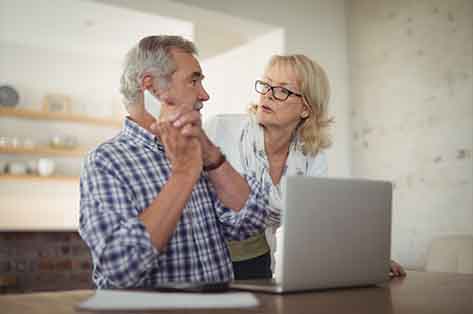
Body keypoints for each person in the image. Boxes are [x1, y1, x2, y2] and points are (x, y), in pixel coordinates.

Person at [79, 35, 269, 289]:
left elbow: (249, 221)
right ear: (152, 88)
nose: (205, 95)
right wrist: (183, 174)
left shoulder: (198, 148)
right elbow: (121, 267)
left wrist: (210, 154)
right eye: (193, 81)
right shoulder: (105, 162)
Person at [224, 54, 406, 279]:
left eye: (282, 90)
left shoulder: (311, 155)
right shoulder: (225, 130)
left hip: (257, 265)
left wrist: (367, 258)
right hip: (208, 260)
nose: (268, 95)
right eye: (266, 85)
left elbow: (317, 223)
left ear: (305, 109)